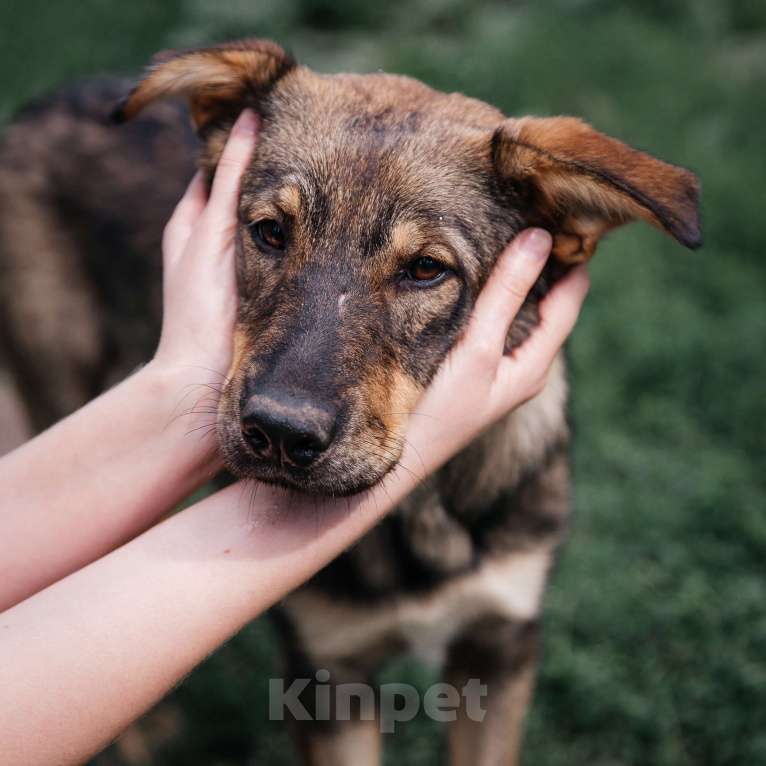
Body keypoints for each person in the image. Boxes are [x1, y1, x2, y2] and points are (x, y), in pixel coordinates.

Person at [0, 109, 589, 765]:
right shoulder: (52, 169)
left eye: (423, 267)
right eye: (273, 233)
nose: (287, 409)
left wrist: (173, 397)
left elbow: (498, 665)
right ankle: (125, 721)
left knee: (495, 652)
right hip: (45, 217)